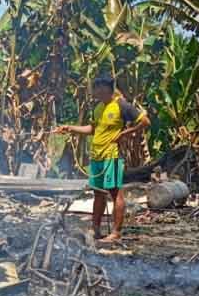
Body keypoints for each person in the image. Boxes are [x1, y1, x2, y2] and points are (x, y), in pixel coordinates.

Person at [56, 77, 149, 243]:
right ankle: (96, 229)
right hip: (97, 156)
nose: (94, 91)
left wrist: (124, 134)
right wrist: (70, 128)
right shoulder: (98, 107)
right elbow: (92, 129)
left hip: (111, 155)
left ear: (106, 88)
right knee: (98, 193)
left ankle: (116, 233)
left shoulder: (121, 105)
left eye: (97, 87)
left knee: (115, 193)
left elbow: (144, 121)